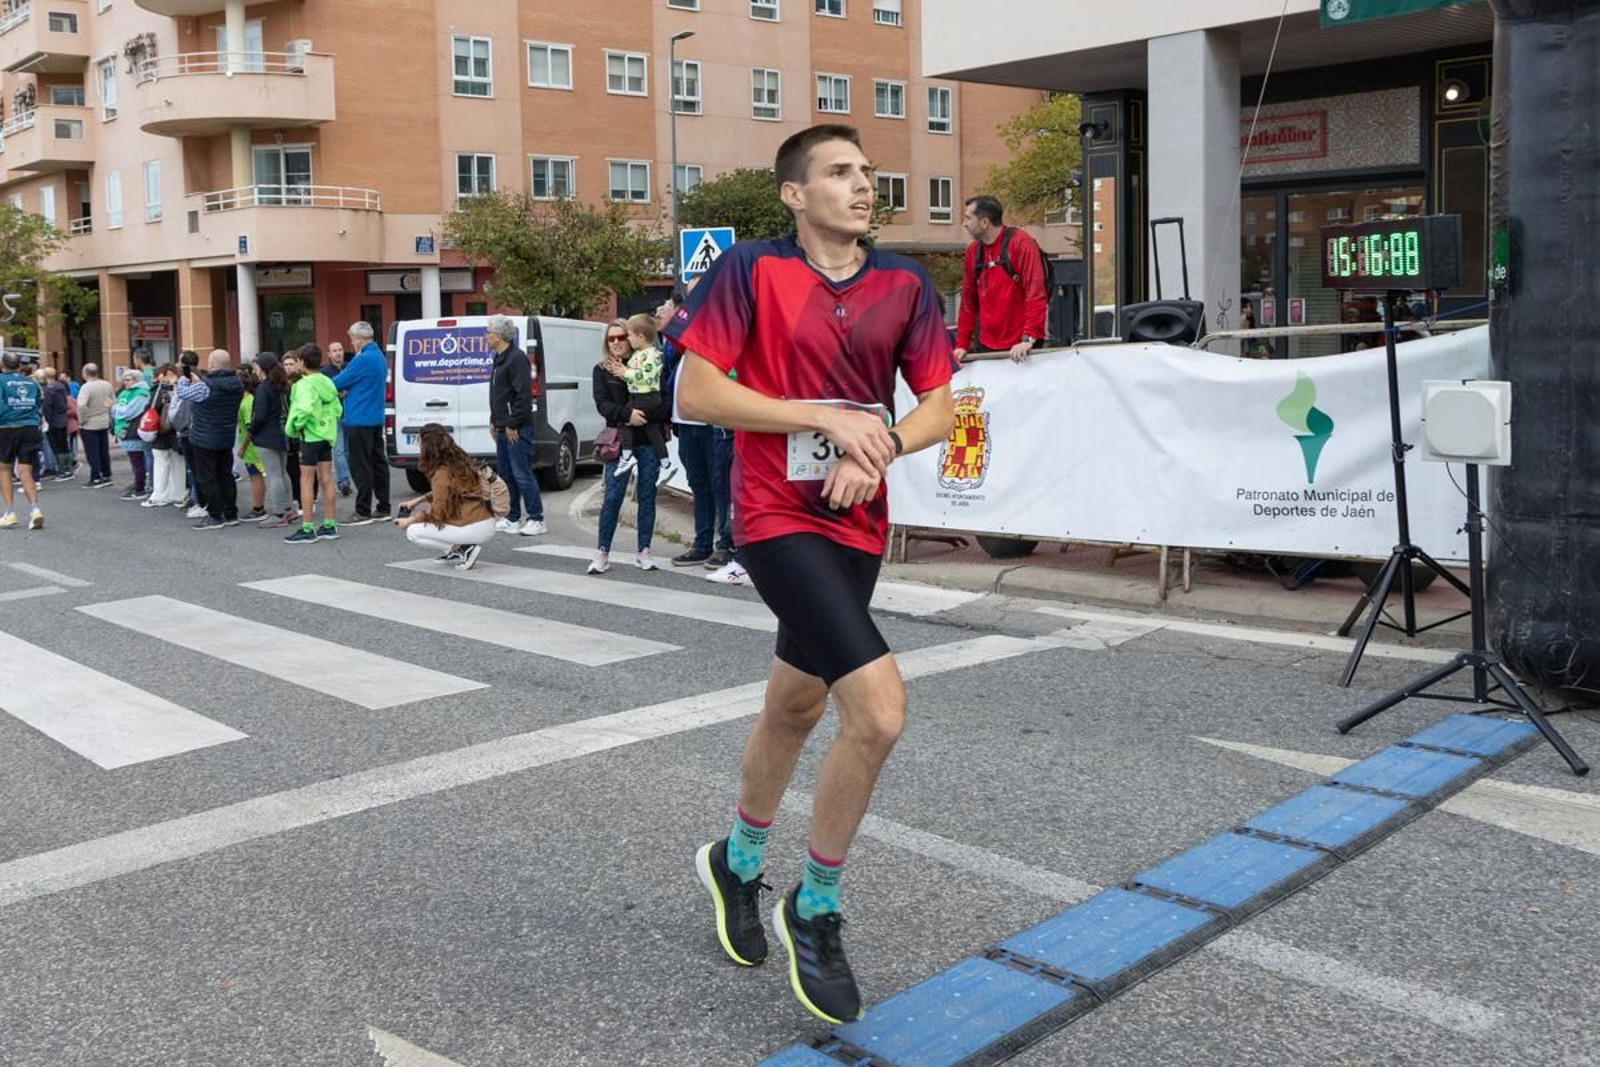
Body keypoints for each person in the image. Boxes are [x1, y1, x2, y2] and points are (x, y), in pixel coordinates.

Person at [668, 124, 957, 1024]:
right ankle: (817, 905)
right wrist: (823, 416)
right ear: (794, 194)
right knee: (877, 711)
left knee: (794, 704)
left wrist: (879, 448)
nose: (862, 185)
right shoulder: (750, 271)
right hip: (775, 516)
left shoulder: (905, 283)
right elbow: (695, 392)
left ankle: (738, 860)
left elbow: (941, 409)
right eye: (839, 173)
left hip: (857, 520)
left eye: (867, 173)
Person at [590, 319, 663, 574]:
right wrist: (627, 414)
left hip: (647, 440)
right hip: (619, 441)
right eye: (612, 339)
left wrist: (645, 416)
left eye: (622, 337)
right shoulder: (601, 370)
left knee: (646, 496)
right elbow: (602, 405)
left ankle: (644, 551)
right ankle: (602, 552)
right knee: (612, 497)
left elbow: (660, 398)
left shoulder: (645, 363)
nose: (617, 342)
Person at [954, 195, 1049, 363]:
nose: (964, 223)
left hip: (1021, 347)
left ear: (984, 222)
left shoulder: (1021, 243)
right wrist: (962, 344)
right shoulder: (973, 252)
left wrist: (1029, 338)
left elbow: (1035, 293)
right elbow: (968, 301)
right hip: (986, 344)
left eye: (968, 218)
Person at [396, 424, 497, 570]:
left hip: (472, 526)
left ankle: (463, 549)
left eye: (420, 443)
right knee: (424, 525)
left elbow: (437, 513)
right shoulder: (459, 461)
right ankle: (457, 551)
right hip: (485, 521)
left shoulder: (441, 474)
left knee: (413, 532)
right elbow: (451, 491)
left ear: (427, 447)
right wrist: (418, 500)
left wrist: (409, 520)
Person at [485, 314, 547, 537]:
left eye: (489, 332)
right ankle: (512, 517)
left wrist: (513, 423)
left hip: (517, 428)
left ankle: (536, 518)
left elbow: (523, 395)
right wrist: (494, 421)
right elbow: (498, 395)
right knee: (506, 474)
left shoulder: (516, 358)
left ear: (500, 336)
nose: (486, 336)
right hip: (502, 426)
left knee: (522, 473)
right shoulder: (499, 359)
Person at [176, 349, 246, 530]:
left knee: (207, 477)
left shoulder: (206, 386)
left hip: (204, 435)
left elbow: (184, 393)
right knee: (225, 475)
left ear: (212, 364)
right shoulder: (237, 383)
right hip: (226, 434)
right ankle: (231, 513)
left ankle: (215, 515)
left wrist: (183, 379)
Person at [283, 343, 342, 544]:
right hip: (326, 435)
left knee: (306, 480)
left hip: (309, 437)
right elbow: (338, 409)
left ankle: (307, 527)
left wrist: (293, 427)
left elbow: (304, 408)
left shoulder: (303, 384)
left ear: (302, 362)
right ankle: (330, 524)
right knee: (326, 479)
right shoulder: (328, 381)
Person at [332, 322, 390, 524]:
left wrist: (344, 391)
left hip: (359, 417)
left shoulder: (362, 359)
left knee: (360, 465)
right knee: (378, 462)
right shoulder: (379, 357)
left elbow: (337, 383)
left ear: (359, 339)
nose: (352, 343)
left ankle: (362, 510)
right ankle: (384, 506)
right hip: (375, 416)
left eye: (352, 339)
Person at [613, 313, 671, 476]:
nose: (627, 339)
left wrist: (626, 372)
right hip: (640, 395)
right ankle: (664, 460)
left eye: (629, 335)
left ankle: (627, 455)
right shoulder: (639, 354)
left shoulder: (652, 355)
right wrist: (622, 372)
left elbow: (645, 377)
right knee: (651, 427)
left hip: (647, 396)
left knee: (626, 420)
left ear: (641, 336)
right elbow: (633, 375)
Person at [245, 352, 296, 527]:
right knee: (282, 473)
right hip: (283, 433)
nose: (255, 369)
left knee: (273, 475)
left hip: (267, 435)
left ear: (263, 368)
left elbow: (259, 416)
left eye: (256, 366)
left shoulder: (264, 388)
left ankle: (279, 513)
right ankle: (289, 508)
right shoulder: (283, 386)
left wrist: (252, 431)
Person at [0, 352, 45, 529]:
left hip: (7, 427)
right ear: (19, 365)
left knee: (4, 469)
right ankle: (35, 510)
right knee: (26, 470)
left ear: (3, 366)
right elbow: (37, 404)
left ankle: (10, 512)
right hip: (30, 426)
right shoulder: (31, 382)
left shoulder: (1, 381)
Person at [142, 364, 186, 508]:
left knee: (161, 463)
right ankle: (178, 494)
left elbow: (151, 407)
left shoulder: (161, 388)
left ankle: (159, 495)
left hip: (161, 431)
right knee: (178, 464)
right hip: (178, 431)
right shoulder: (183, 386)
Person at [111, 368, 152, 500]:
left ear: (137, 380)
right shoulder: (127, 392)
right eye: (124, 380)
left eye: (128, 380)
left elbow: (129, 412)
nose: (125, 382)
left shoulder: (141, 393)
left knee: (138, 461)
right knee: (136, 461)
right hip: (126, 430)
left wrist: (114, 408)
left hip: (133, 430)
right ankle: (139, 485)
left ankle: (140, 488)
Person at [235, 364, 267, 521]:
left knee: (255, 476)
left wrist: (242, 448)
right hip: (250, 447)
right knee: (254, 475)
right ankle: (258, 506)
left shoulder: (247, 403)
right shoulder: (247, 400)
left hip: (252, 447)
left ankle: (258, 508)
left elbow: (250, 428)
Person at [75, 363, 116, 489]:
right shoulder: (106, 384)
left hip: (90, 423)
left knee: (92, 452)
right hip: (104, 420)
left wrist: (82, 420)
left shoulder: (86, 387)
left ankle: (96, 477)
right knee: (103, 450)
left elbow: (81, 405)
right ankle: (106, 474)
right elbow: (113, 401)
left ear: (85, 373)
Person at [326, 340, 354, 497]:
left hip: (351, 415)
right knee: (338, 451)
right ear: (329, 354)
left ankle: (348, 478)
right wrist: (336, 394)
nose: (338, 353)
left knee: (349, 451)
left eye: (340, 349)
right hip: (335, 416)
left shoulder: (351, 367)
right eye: (334, 350)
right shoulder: (324, 372)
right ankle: (343, 482)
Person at [41, 367, 73, 481]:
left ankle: (61, 471)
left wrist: (47, 420)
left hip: (53, 420)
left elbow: (47, 407)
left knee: (57, 447)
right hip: (62, 418)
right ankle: (68, 468)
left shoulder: (48, 390)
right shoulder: (61, 387)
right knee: (64, 445)